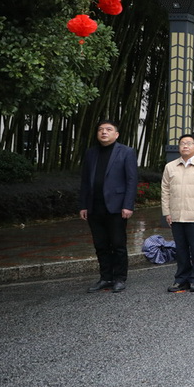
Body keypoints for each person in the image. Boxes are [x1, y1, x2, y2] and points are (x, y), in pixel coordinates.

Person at [79, 120, 138, 293]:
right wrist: (83, 205)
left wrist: (128, 205)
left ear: (116, 134)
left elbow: (131, 180)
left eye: (108, 129)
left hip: (117, 206)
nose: (104, 132)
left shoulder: (126, 152)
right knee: (100, 244)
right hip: (94, 206)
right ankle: (105, 277)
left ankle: (119, 278)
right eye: (100, 129)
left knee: (118, 244)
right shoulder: (91, 153)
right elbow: (84, 181)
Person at [161, 134, 194, 293]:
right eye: (182, 143)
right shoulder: (170, 167)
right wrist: (167, 212)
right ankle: (181, 279)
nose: (185, 146)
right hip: (177, 215)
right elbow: (165, 191)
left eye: (188, 143)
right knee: (181, 249)